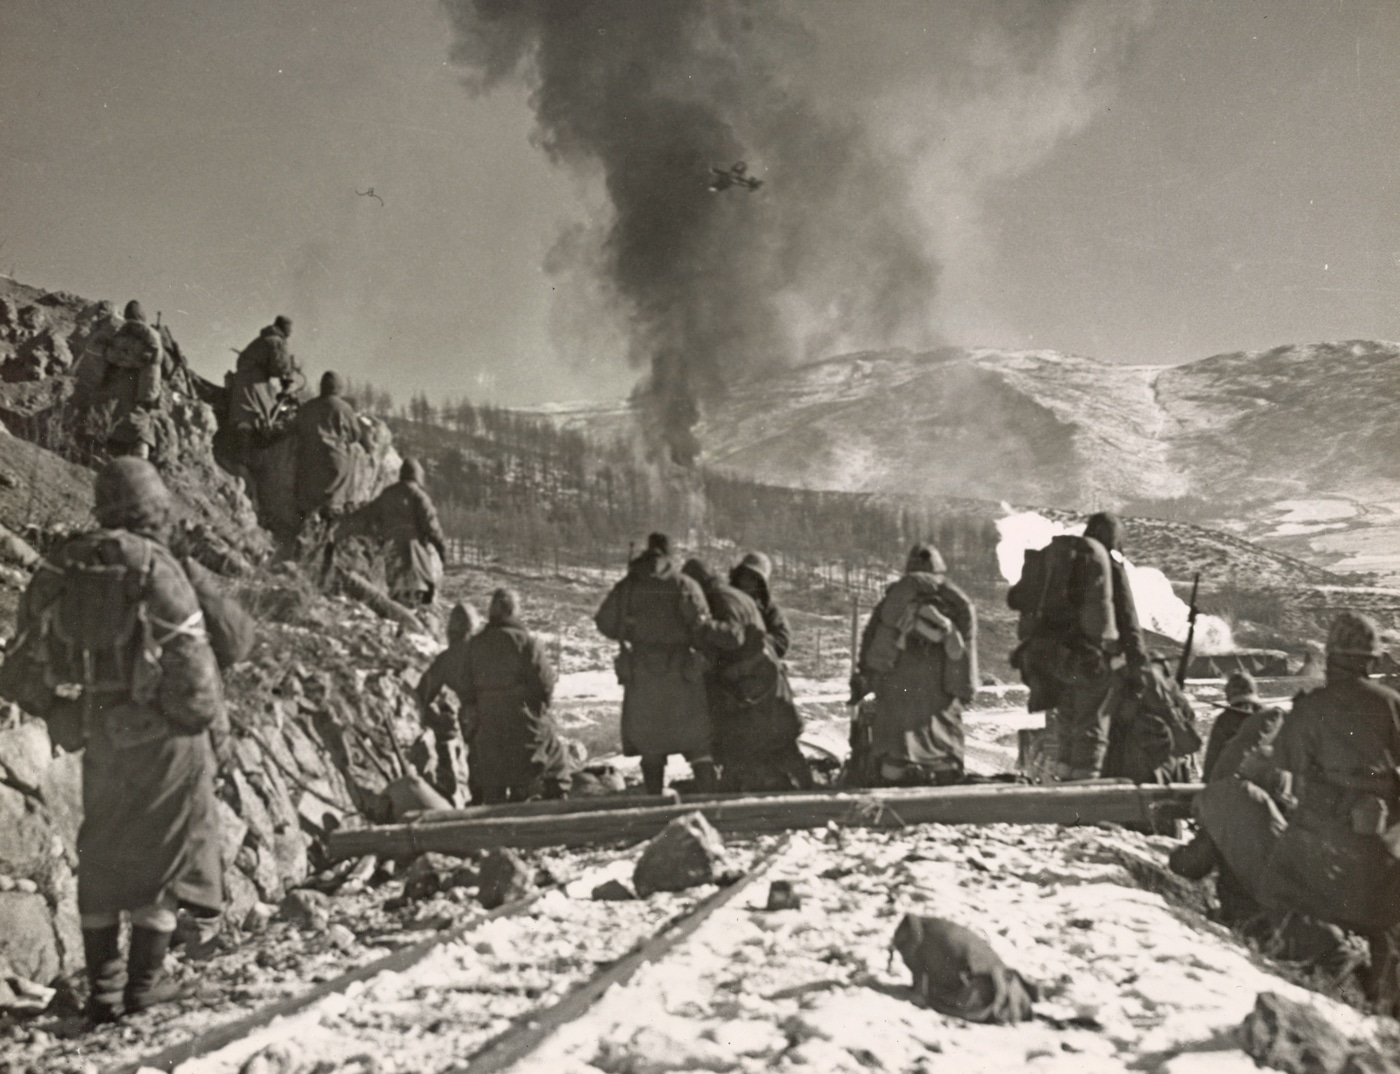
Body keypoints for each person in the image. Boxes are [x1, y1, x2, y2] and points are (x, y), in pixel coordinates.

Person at [9, 459, 250, 1023]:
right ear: (157, 509)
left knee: (104, 853)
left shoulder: (66, 565)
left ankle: (104, 989)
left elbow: (17, 673)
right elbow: (204, 674)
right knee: (164, 857)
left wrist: (73, 713)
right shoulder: (157, 567)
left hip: (101, 737)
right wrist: (189, 726)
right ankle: (145, 983)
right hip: (166, 741)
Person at [1254, 612, 1400, 1010]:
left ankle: (1337, 960)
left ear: (1332, 658)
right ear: (1370, 660)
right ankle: (1386, 999)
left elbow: (1284, 763)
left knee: (1273, 889)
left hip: (1318, 842)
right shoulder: (1391, 704)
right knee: (1388, 921)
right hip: (1379, 845)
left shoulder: (1312, 706)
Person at [595, 533, 717, 795]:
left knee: (651, 746)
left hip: (643, 672)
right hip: (681, 672)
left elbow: (604, 621)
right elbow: (703, 628)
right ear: (669, 554)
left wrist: (629, 629)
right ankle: (711, 805)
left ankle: (654, 806)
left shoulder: (628, 586)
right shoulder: (684, 584)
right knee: (696, 743)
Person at [852, 543, 978, 786]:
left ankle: (890, 798)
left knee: (895, 747)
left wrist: (864, 677)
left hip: (898, 684)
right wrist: (966, 688)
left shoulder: (896, 599)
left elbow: (871, 641)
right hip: (941, 687)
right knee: (944, 744)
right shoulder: (955, 602)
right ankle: (948, 797)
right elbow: (968, 647)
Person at [430, 589, 568, 804]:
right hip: (525, 732)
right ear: (514, 611)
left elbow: (466, 688)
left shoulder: (473, 646)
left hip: (487, 734)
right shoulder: (528, 643)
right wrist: (535, 712)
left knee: (491, 780)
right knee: (556, 761)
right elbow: (545, 687)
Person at [683, 558, 808, 792]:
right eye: (744, 577)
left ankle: (791, 790)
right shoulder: (734, 597)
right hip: (756, 682)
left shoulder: (723, 599)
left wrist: (703, 628)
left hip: (754, 682)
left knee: (760, 741)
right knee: (771, 740)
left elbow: (734, 636)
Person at [1064, 511, 1146, 780]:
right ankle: (1086, 799)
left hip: (1062, 658)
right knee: (1093, 724)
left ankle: (1063, 783)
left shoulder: (1068, 562)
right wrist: (1139, 666)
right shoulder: (1109, 566)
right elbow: (1128, 617)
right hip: (1096, 658)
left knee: (1067, 723)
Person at [354, 458, 447, 606]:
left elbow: (368, 516)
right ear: (418, 475)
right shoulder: (419, 496)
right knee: (416, 599)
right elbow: (432, 527)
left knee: (398, 596)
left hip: (392, 554)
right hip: (415, 557)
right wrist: (442, 551)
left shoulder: (387, 494)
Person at [416, 601, 484, 801]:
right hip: (501, 715)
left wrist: (434, 718)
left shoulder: (447, 660)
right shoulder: (487, 652)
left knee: (479, 774)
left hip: (473, 720)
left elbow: (423, 693)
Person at [293, 370, 366, 528]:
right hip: (335, 461)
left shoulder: (308, 407)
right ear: (338, 388)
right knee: (334, 504)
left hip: (309, 461)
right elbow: (355, 434)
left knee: (309, 504)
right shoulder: (344, 408)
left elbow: (296, 428)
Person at [228, 315, 296, 462]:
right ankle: (249, 460)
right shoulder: (278, 342)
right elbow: (281, 368)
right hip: (255, 383)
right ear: (284, 327)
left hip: (242, 381)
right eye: (290, 327)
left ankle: (242, 458)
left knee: (244, 418)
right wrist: (290, 371)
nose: (291, 332)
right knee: (263, 417)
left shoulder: (261, 340)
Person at [90, 300, 163, 433]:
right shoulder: (151, 335)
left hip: (128, 379)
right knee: (140, 419)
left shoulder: (124, 333)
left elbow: (113, 355)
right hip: (145, 383)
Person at [730, 551, 790, 658]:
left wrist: (755, 640)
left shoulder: (769, 611)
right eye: (744, 576)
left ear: (761, 584)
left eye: (754, 578)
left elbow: (782, 641)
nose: (747, 582)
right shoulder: (726, 601)